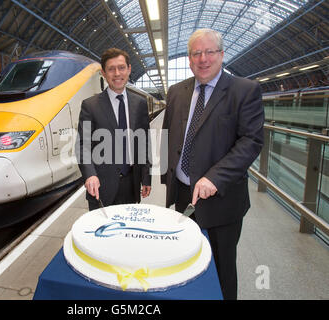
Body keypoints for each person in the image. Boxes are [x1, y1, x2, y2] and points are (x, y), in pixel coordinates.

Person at [161, 29, 264, 300]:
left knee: (221, 268)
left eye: (209, 52)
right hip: (184, 195)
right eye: (196, 53)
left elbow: (251, 141)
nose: (203, 59)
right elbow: (168, 135)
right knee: (184, 262)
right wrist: (165, 179)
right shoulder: (176, 91)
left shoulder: (244, 90)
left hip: (222, 199)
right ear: (189, 58)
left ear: (221, 55)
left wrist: (215, 178)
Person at [76, 48, 151, 211]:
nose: (117, 73)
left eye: (121, 67)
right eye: (111, 69)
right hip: (101, 186)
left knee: (128, 232)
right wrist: (90, 175)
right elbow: (83, 145)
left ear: (129, 69)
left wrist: (146, 177)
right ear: (103, 72)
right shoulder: (90, 105)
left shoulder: (140, 103)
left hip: (132, 184)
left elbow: (144, 142)